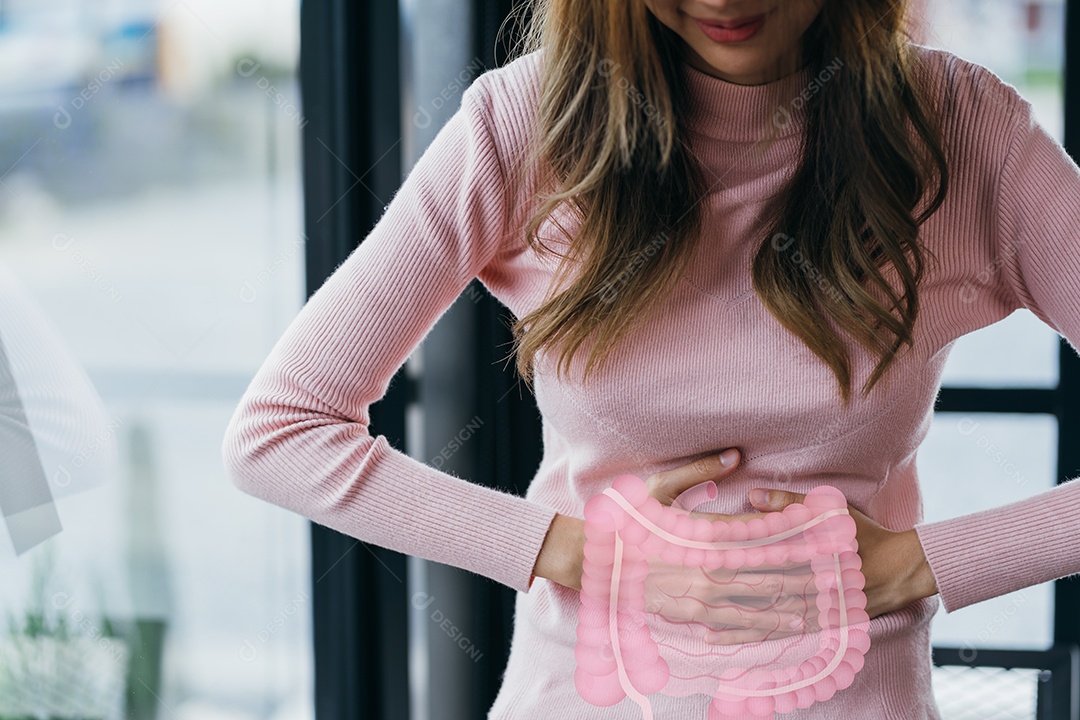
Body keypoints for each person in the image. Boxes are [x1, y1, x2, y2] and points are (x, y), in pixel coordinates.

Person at [221, 0, 1080, 716]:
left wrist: (918, 565)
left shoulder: (962, 134)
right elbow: (279, 431)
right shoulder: (524, 124)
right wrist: (579, 554)